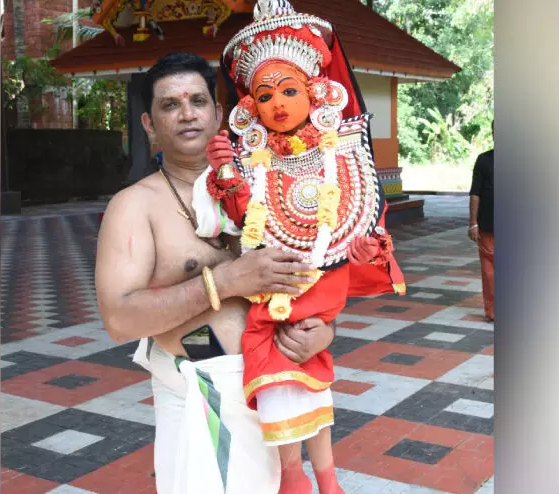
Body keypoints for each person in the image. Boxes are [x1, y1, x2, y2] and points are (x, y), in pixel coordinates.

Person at [95, 51, 338, 494]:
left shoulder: (268, 186)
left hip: (281, 387)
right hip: (204, 393)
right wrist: (225, 281)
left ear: (219, 113)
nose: (187, 113)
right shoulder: (134, 205)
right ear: (149, 123)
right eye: (170, 104)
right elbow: (118, 318)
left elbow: (316, 276)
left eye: (197, 101)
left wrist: (324, 331)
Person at [191, 2, 406, 493]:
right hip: (267, 295)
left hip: (318, 291)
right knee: (277, 370)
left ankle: (322, 479)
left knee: (304, 368)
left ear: (316, 92)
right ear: (250, 107)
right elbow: (245, 215)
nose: (278, 104)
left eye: (289, 90)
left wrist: (367, 250)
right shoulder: (251, 160)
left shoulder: (342, 150)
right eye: (264, 96)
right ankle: (297, 476)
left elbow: (362, 219)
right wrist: (225, 170)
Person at [469, 119, 494, 322]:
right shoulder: (484, 160)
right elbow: (475, 193)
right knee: (489, 271)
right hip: (488, 224)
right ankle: (493, 311)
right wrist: (473, 223)